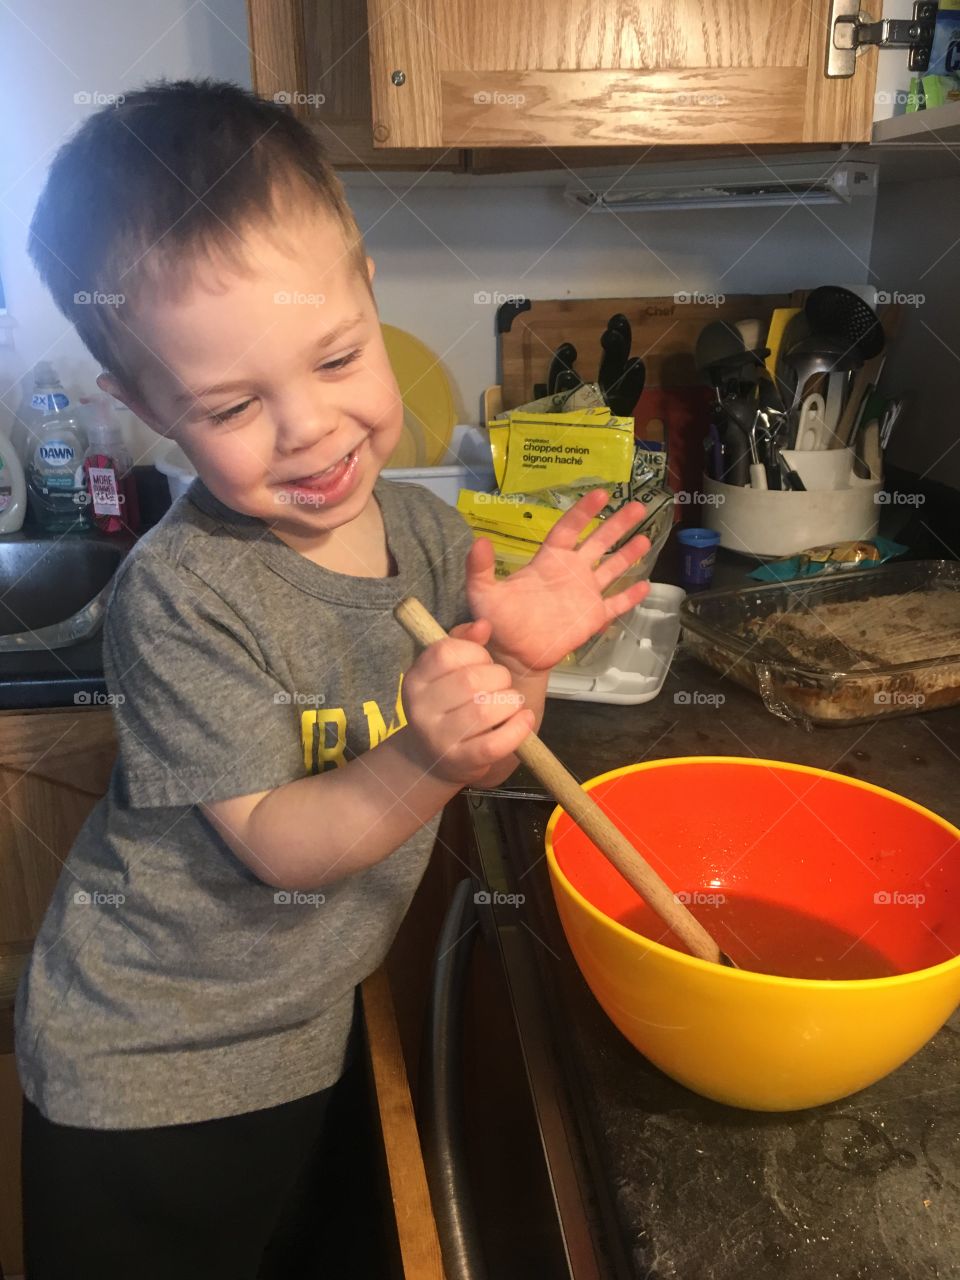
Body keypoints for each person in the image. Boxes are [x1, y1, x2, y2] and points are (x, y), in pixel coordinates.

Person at [14, 78, 651, 1278]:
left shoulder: (414, 530)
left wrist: (518, 662)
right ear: (144, 406)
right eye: (233, 403)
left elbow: (488, 733)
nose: (308, 429)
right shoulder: (185, 591)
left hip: (305, 1020)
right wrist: (424, 757)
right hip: (153, 1066)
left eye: (338, 355)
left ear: (366, 288)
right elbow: (278, 842)